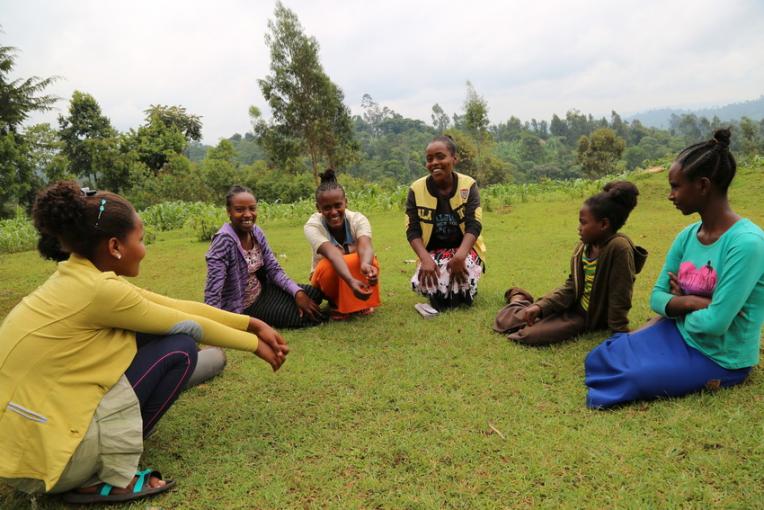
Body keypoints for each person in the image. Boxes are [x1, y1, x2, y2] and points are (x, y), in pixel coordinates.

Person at [0, 182, 289, 504]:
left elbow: (172, 305)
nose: (145, 248)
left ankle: (94, 449)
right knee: (180, 346)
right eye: (141, 239)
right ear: (114, 246)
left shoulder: (77, 278)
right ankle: (100, 475)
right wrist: (252, 343)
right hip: (54, 467)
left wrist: (251, 323)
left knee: (154, 333)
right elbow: (188, 324)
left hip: (18, 455)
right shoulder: (100, 291)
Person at [585, 129, 764, 408]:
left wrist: (679, 308)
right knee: (602, 353)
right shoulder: (687, 236)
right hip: (681, 333)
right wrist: (695, 302)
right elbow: (657, 298)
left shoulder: (746, 244)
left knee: (631, 379)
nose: (670, 195)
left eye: (676, 186)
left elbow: (717, 324)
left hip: (720, 357)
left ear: (703, 186)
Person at [494, 181, 646, 345]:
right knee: (504, 322)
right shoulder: (584, 247)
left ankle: (522, 303)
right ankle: (520, 298)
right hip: (570, 305)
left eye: (583, 222)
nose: (579, 228)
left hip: (585, 316)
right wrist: (541, 307)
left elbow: (621, 292)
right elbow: (572, 286)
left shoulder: (618, 248)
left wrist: (619, 331)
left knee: (528, 335)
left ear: (603, 224)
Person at [205, 185, 324, 329]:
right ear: (228, 212)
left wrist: (297, 293)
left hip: (264, 289)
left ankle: (294, 304)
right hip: (244, 305)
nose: (248, 214)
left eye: (252, 208)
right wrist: (214, 326)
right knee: (297, 318)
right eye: (239, 210)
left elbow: (274, 269)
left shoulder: (255, 232)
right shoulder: (223, 242)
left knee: (313, 294)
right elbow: (213, 290)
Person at [406, 135, 486, 312]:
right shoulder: (416, 189)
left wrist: (460, 256)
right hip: (433, 252)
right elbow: (412, 230)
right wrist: (425, 259)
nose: (434, 162)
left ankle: (461, 289)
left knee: (461, 275)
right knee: (425, 281)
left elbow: (474, 224)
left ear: (454, 159)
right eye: (429, 159)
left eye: (440, 157)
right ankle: (446, 290)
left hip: (464, 249)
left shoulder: (468, 185)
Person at [304, 169, 380, 320]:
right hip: (323, 278)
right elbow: (332, 254)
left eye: (338, 205)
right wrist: (351, 279)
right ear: (318, 208)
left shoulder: (358, 219)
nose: (333, 212)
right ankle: (336, 303)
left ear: (346, 202)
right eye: (326, 208)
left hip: (349, 269)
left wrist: (366, 265)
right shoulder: (312, 226)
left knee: (370, 261)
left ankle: (359, 303)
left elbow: (365, 246)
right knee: (329, 265)